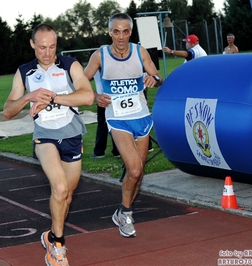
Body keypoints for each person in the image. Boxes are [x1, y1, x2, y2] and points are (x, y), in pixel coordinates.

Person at [3, 23, 94, 266]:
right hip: (45, 136)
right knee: (60, 187)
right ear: (32, 44)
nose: (47, 52)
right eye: (42, 47)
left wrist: (54, 97)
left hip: (72, 133)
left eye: (52, 46)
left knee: (67, 196)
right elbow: (7, 112)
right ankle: (57, 247)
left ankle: (51, 234)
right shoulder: (24, 72)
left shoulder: (69, 65)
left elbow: (88, 96)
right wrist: (28, 97)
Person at [84, 13, 163, 238]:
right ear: (109, 32)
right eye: (116, 31)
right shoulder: (100, 55)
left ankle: (122, 211)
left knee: (137, 173)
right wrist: (95, 96)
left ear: (130, 32)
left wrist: (154, 80)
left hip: (142, 118)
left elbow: (158, 78)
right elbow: (78, 83)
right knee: (135, 168)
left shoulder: (140, 52)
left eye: (125, 31)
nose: (120, 36)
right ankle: (126, 214)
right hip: (117, 119)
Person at [90, 70, 120, 158]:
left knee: (103, 126)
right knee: (115, 124)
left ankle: (100, 152)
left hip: (105, 98)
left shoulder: (96, 66)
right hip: (109, 98)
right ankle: (116, 150)